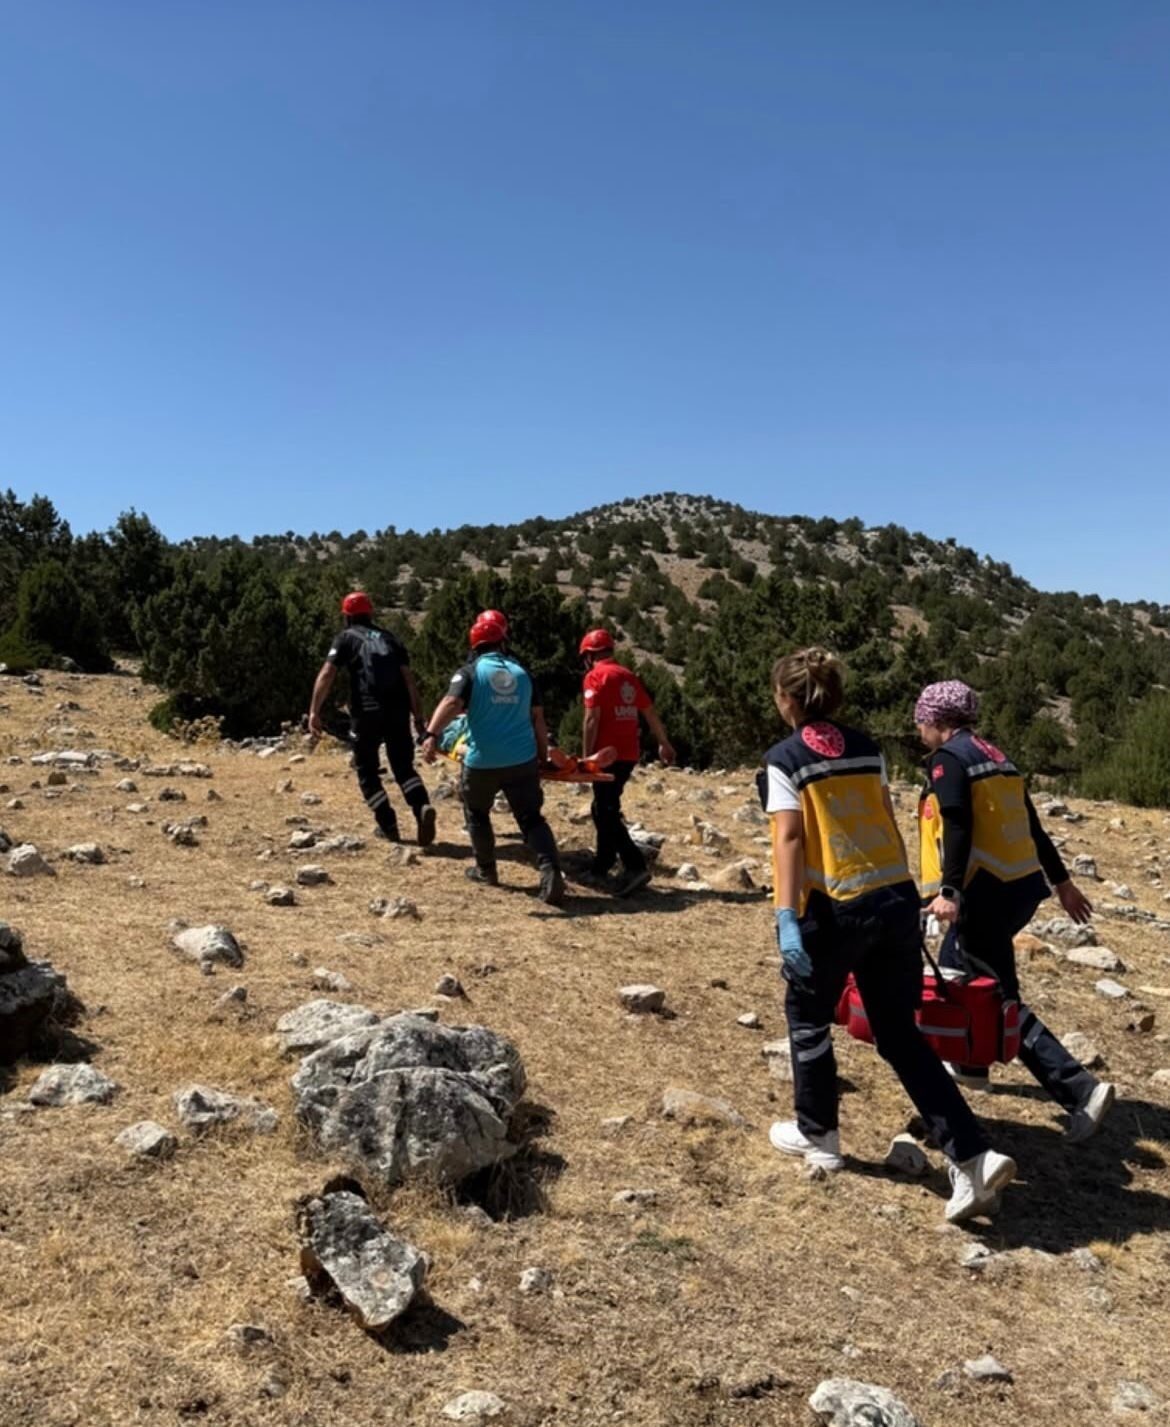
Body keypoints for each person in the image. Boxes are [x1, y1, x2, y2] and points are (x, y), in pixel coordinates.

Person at [760, 647, 1016, 1223]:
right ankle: (973, 1157)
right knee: (900, 1034)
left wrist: (785, 916)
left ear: (790, 700)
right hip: (895, 898)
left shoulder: (785, 758)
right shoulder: (868, 747)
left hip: (834, 908)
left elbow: (790, 840)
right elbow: (882, 815)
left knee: (806, 1016)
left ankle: (819, 1137)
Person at [915, 679, 1114, 1140]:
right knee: (957, 972)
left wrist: (950, 892)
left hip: (982, 892)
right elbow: (1034, 826)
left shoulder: (949, 760)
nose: (919, 730)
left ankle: (1078, 1089)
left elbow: (958, 824)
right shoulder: (997, 757)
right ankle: (971, 1065)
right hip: (1019, 887)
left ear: (938, 722)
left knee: (999, 998)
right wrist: (1062, 883)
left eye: (922, 721)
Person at [419, 609, 566, 906]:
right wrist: (542, 756)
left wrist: (431, 735)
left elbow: (451, 702)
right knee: (531, 818)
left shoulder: (470, 672)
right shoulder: (523, 673)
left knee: (476, 813)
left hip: (483, 760)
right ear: (503, 642)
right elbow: (538, 719)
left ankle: (486, 871)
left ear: (475, 646)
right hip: (522, 760)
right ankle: (551, 873)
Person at [307, 592, 435, 847]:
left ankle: (388, 823)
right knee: (403, 767)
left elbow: (327, 674)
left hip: (366, 713)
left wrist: (314, 710)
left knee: (366, 771)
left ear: (347, 616)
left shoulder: (345, 638)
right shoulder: (391, 639)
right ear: (370, 613)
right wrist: (419, 718)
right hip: (398, 712)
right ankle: (421, 807)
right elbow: (410, 682)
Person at [578, 628, 676, 897]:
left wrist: (588, 758)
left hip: (606, 755)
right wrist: (663, 742)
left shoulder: (594, 676)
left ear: (589, 655)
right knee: (603, 808)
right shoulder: (628, 677)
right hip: (628, 754)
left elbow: (591, 719)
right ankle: (603, 864)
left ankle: (635, 865)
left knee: (605, 811)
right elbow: (649, 712)